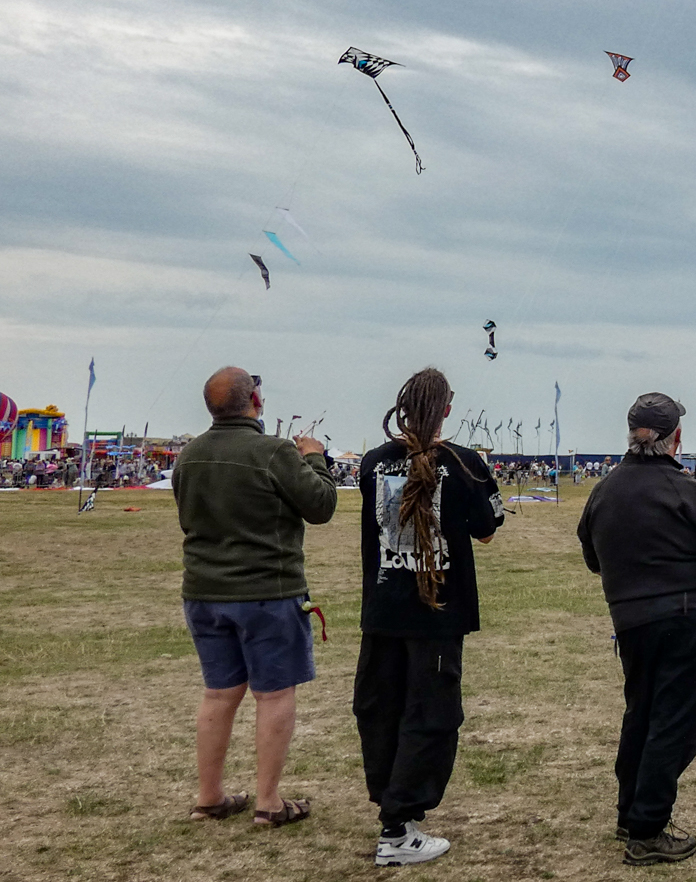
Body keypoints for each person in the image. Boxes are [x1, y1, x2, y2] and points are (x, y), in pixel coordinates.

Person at [578, 393, 696, 866]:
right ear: (676, 437)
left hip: (631, 623)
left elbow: (594, 559)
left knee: (641, 715)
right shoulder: (687, 490)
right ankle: (647, 829)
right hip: (685, 621)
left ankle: (630, 813)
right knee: (676, 725)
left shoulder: (603, 490)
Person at [353, 368, 505, 867]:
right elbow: (488, 529)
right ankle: (398, 828)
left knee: (381, 710)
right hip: (436, 614)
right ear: (446, 410)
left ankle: (392, 807)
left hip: (384, 608)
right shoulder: (465, 463)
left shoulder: (374, 462)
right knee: (431, 716)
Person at [174, 366, 336, 828]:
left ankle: (209, 797)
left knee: (219, 694)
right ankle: (269, 802)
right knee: (274, 693)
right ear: (256, 401)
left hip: (204, 591)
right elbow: (321, 505)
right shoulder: (273, 452)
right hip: (268, 591)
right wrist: (314, 459)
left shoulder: (189, 455)